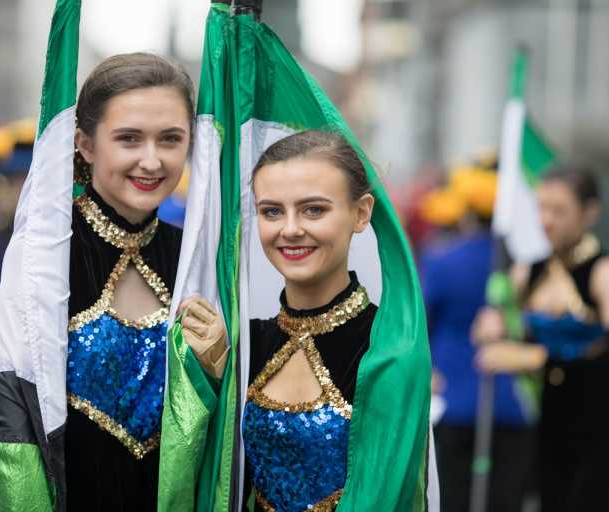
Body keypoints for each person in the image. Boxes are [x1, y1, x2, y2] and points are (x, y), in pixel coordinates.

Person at [0, 52, 195, 511]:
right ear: (86, 145)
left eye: (170, 139)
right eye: (129, 138)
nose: (151, 160)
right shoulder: (45, 254)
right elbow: (15, 422)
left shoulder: (195, 256)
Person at [179, 130, 430, 511]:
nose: (291, 229)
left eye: (314, 210)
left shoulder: (389, 351)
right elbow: (208, 477)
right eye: (272, 211)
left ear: (361, 213)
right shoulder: (244, 343)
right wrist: (209, 377)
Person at [473, 165, 609, 511]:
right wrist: (493, 327)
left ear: (589, 213)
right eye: (541, 208)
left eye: (559, 211)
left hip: (598, 427)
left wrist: (534, 358)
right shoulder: (529, 271)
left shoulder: (604, 272)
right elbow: (504, 331)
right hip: (546, 424)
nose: (547, 221)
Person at [419, 167, 534, 512]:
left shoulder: (441, 261)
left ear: (465, 213)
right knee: (505, 500)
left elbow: (421, 322)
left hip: (452, 398)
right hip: (511, 402)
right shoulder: (520, 264)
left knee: (452, 497)